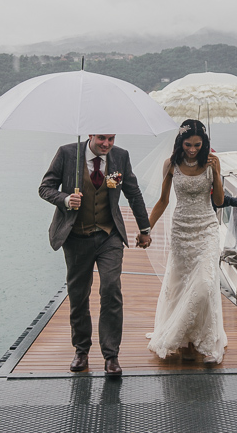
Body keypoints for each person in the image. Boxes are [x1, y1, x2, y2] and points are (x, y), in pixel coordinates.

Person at [39, 134, 152, 377]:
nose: (107, 144)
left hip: (109, 236)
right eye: (102, 139)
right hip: (76, 237)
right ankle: (81, 350)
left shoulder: (120, 156)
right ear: (90, 135)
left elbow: (133, 193)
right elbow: (45, 188)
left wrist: (144, 229)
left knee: (111, 290)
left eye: (111, 139)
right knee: (78, 295)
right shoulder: (67, 153)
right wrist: (66, 199)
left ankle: (111, 356)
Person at [145, 119, 228, 363]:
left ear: (204, 144)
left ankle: (207, 336)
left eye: (197, 145)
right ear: (180, 143)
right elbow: (162, 201)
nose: (192, 149)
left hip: (207, 228)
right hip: (181, 229)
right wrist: (145, 229)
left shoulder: (213, 163)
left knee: (205, 283)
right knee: (180, 284)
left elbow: (220, 201)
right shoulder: (170, 165)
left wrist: (218, 174)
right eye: (188, 144)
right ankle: (184, 333)